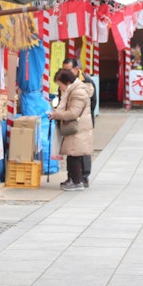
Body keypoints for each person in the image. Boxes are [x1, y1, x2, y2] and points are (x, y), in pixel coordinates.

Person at [50, 68, 93, 191]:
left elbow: (73, 113)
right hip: (76, 128)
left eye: (60, 85)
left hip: (78, 129)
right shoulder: (74, 90)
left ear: (67, 82)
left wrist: (57, 115)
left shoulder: (78, 92)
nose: (61, 88)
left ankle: (77, 181)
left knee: (74, 154)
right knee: (72, 154)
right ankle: (73, 179)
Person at [63, 57, 96, 187]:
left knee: (83, 149)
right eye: (64, 69)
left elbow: (93, 104)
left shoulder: (87, 81)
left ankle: (84, 176)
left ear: (76, 69)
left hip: (83, 121)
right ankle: (71, 176)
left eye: (69, 70)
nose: (66, 72)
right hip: (69, 120)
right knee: (70, 149)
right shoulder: (65, 81)